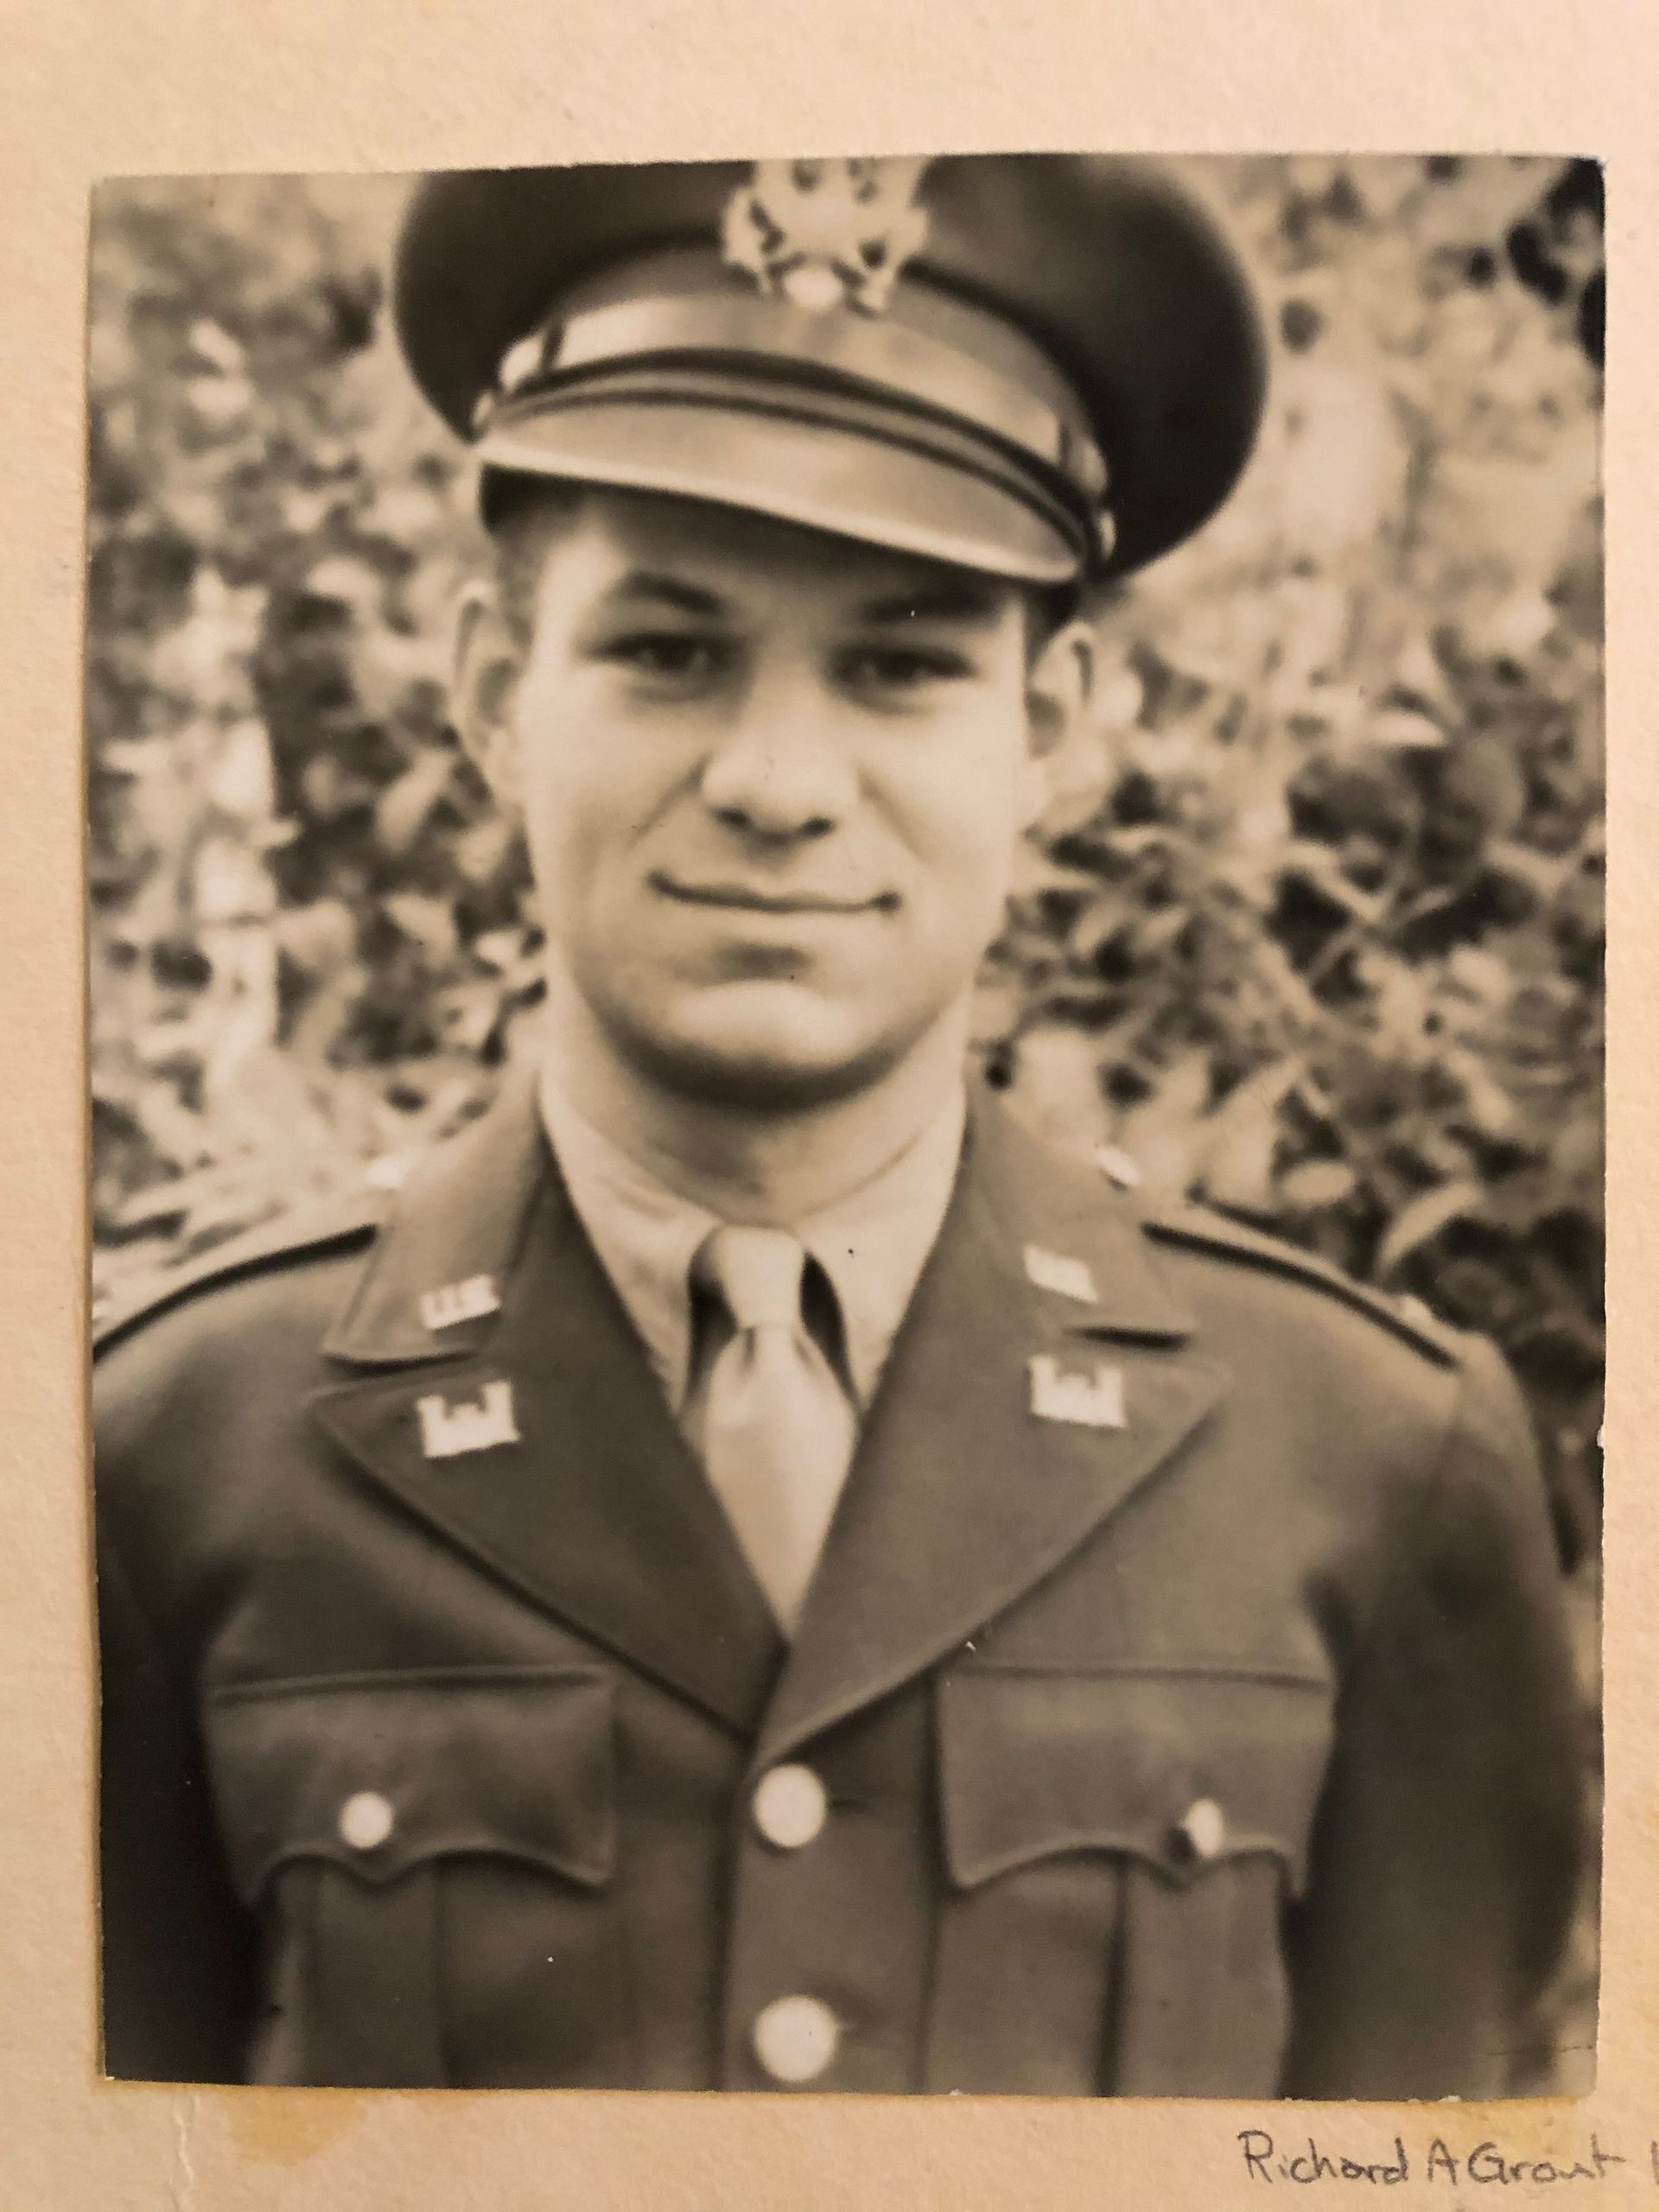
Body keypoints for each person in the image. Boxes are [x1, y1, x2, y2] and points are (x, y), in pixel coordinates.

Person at [93, 154, 1583, 2096]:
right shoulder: (165, 1462)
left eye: (900, 665)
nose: (781, 781)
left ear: (1052, 722)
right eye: (668, 648)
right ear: (488, 692)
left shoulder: (1376, 1463)